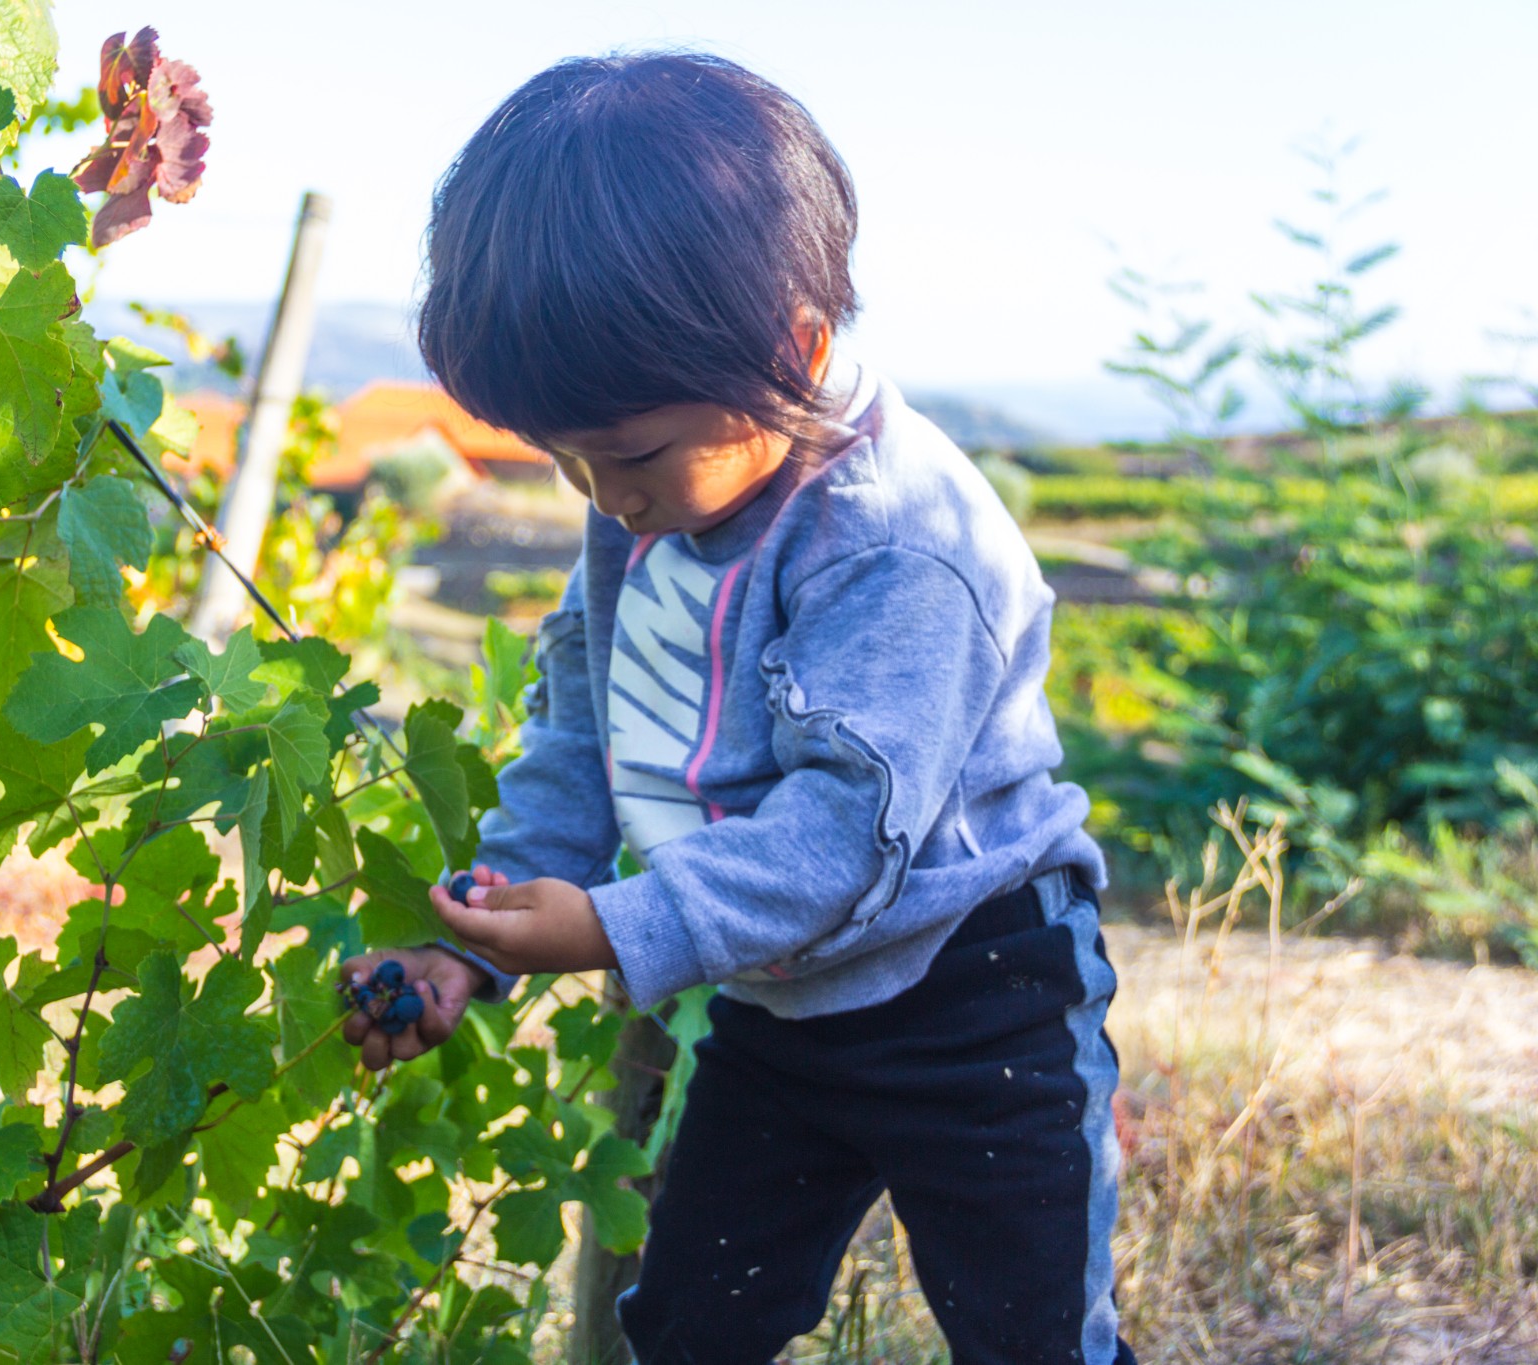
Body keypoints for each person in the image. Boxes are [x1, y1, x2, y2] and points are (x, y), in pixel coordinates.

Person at [337, 51, 1136, 1365]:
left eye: (633, 455)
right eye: (568, 460)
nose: (605, 499)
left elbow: (841, 843)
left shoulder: (899, 546)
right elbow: (590, 719)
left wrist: (608, 924)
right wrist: (472, 942)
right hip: (777, 1010)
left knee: (1035, 1331)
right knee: (690, 1323)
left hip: (974, 990)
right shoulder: (649, 498)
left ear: (797, 351)